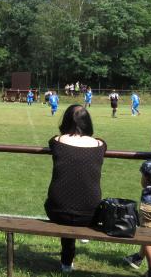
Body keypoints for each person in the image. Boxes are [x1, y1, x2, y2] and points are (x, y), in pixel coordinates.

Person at [45, 105, 106, 273]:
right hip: (91, 214)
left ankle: (66, 263)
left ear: (65, 120)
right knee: (76, 204)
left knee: (65, 205)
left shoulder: (57, 142)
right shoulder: (100, 144)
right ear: (87, 122)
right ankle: (81, 237)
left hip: (57, 210)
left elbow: (54, 141)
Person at [124, 126, 151, 277]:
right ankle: (138, 258)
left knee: (149, 236)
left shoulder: (148, 165)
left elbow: (144, 183)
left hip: (150, 206)